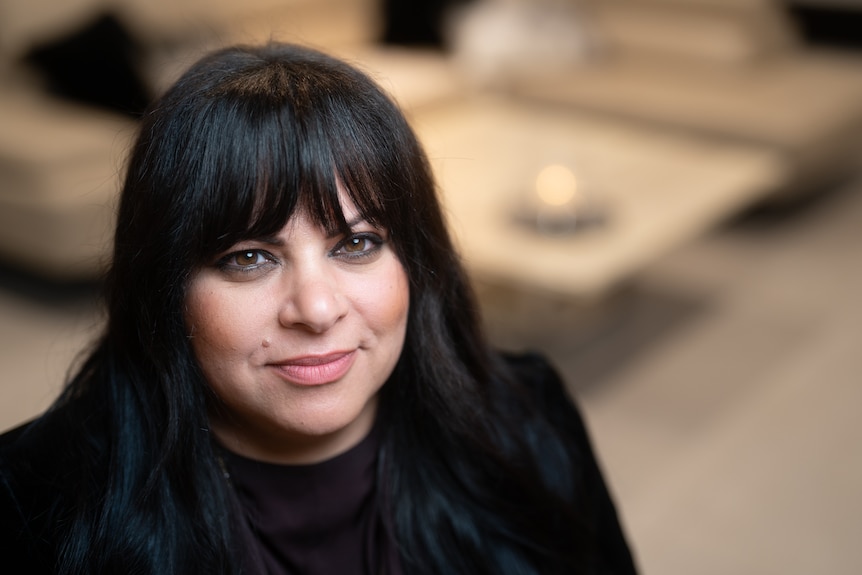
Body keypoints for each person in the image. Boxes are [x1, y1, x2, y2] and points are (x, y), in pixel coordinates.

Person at [0, 42, 637, 574]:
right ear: (164, 289)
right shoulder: (31, 498)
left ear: (416, 263)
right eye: (249, 258)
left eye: (356, 244)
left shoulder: (528, 420)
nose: (316, 308)